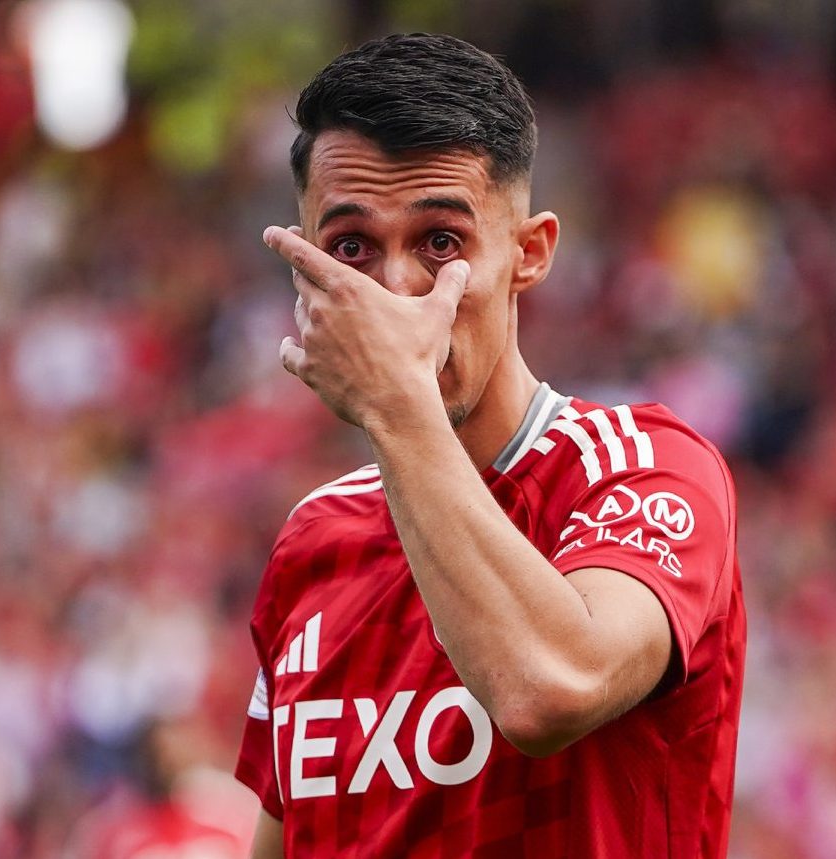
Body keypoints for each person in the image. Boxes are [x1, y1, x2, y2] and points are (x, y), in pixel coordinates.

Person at [234, 33, 745, 858]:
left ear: (529, 252)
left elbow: (550, 688)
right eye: (352, 247)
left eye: (440, 241)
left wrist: (396, 404)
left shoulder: (646, 467)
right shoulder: (311, 539)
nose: (397, 291)